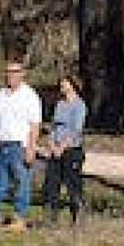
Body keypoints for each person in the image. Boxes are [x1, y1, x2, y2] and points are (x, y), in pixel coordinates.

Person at [0, 60, 43, 232]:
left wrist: (31, 148)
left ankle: (19, 219)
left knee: (22, 183)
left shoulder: (30, 95)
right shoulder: (0, 94)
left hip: (20, 146)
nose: (11, 75)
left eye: (15, 71)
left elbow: (35, 124)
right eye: (8, 72)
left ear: (23, 73)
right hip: (2, 145)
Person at [44, 75, 87, 223]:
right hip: (55, 149)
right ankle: (52, 215)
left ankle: (77, 214)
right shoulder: (60, 104)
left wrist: (62, 146)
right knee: (51, 182)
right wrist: (51, 143)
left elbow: (76, 130)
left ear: (73, 85)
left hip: (71, 150)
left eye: (65, 83)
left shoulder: (80, 105)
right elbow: (54, 126)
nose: (61, 85)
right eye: (61, 83)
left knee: (72, 184)